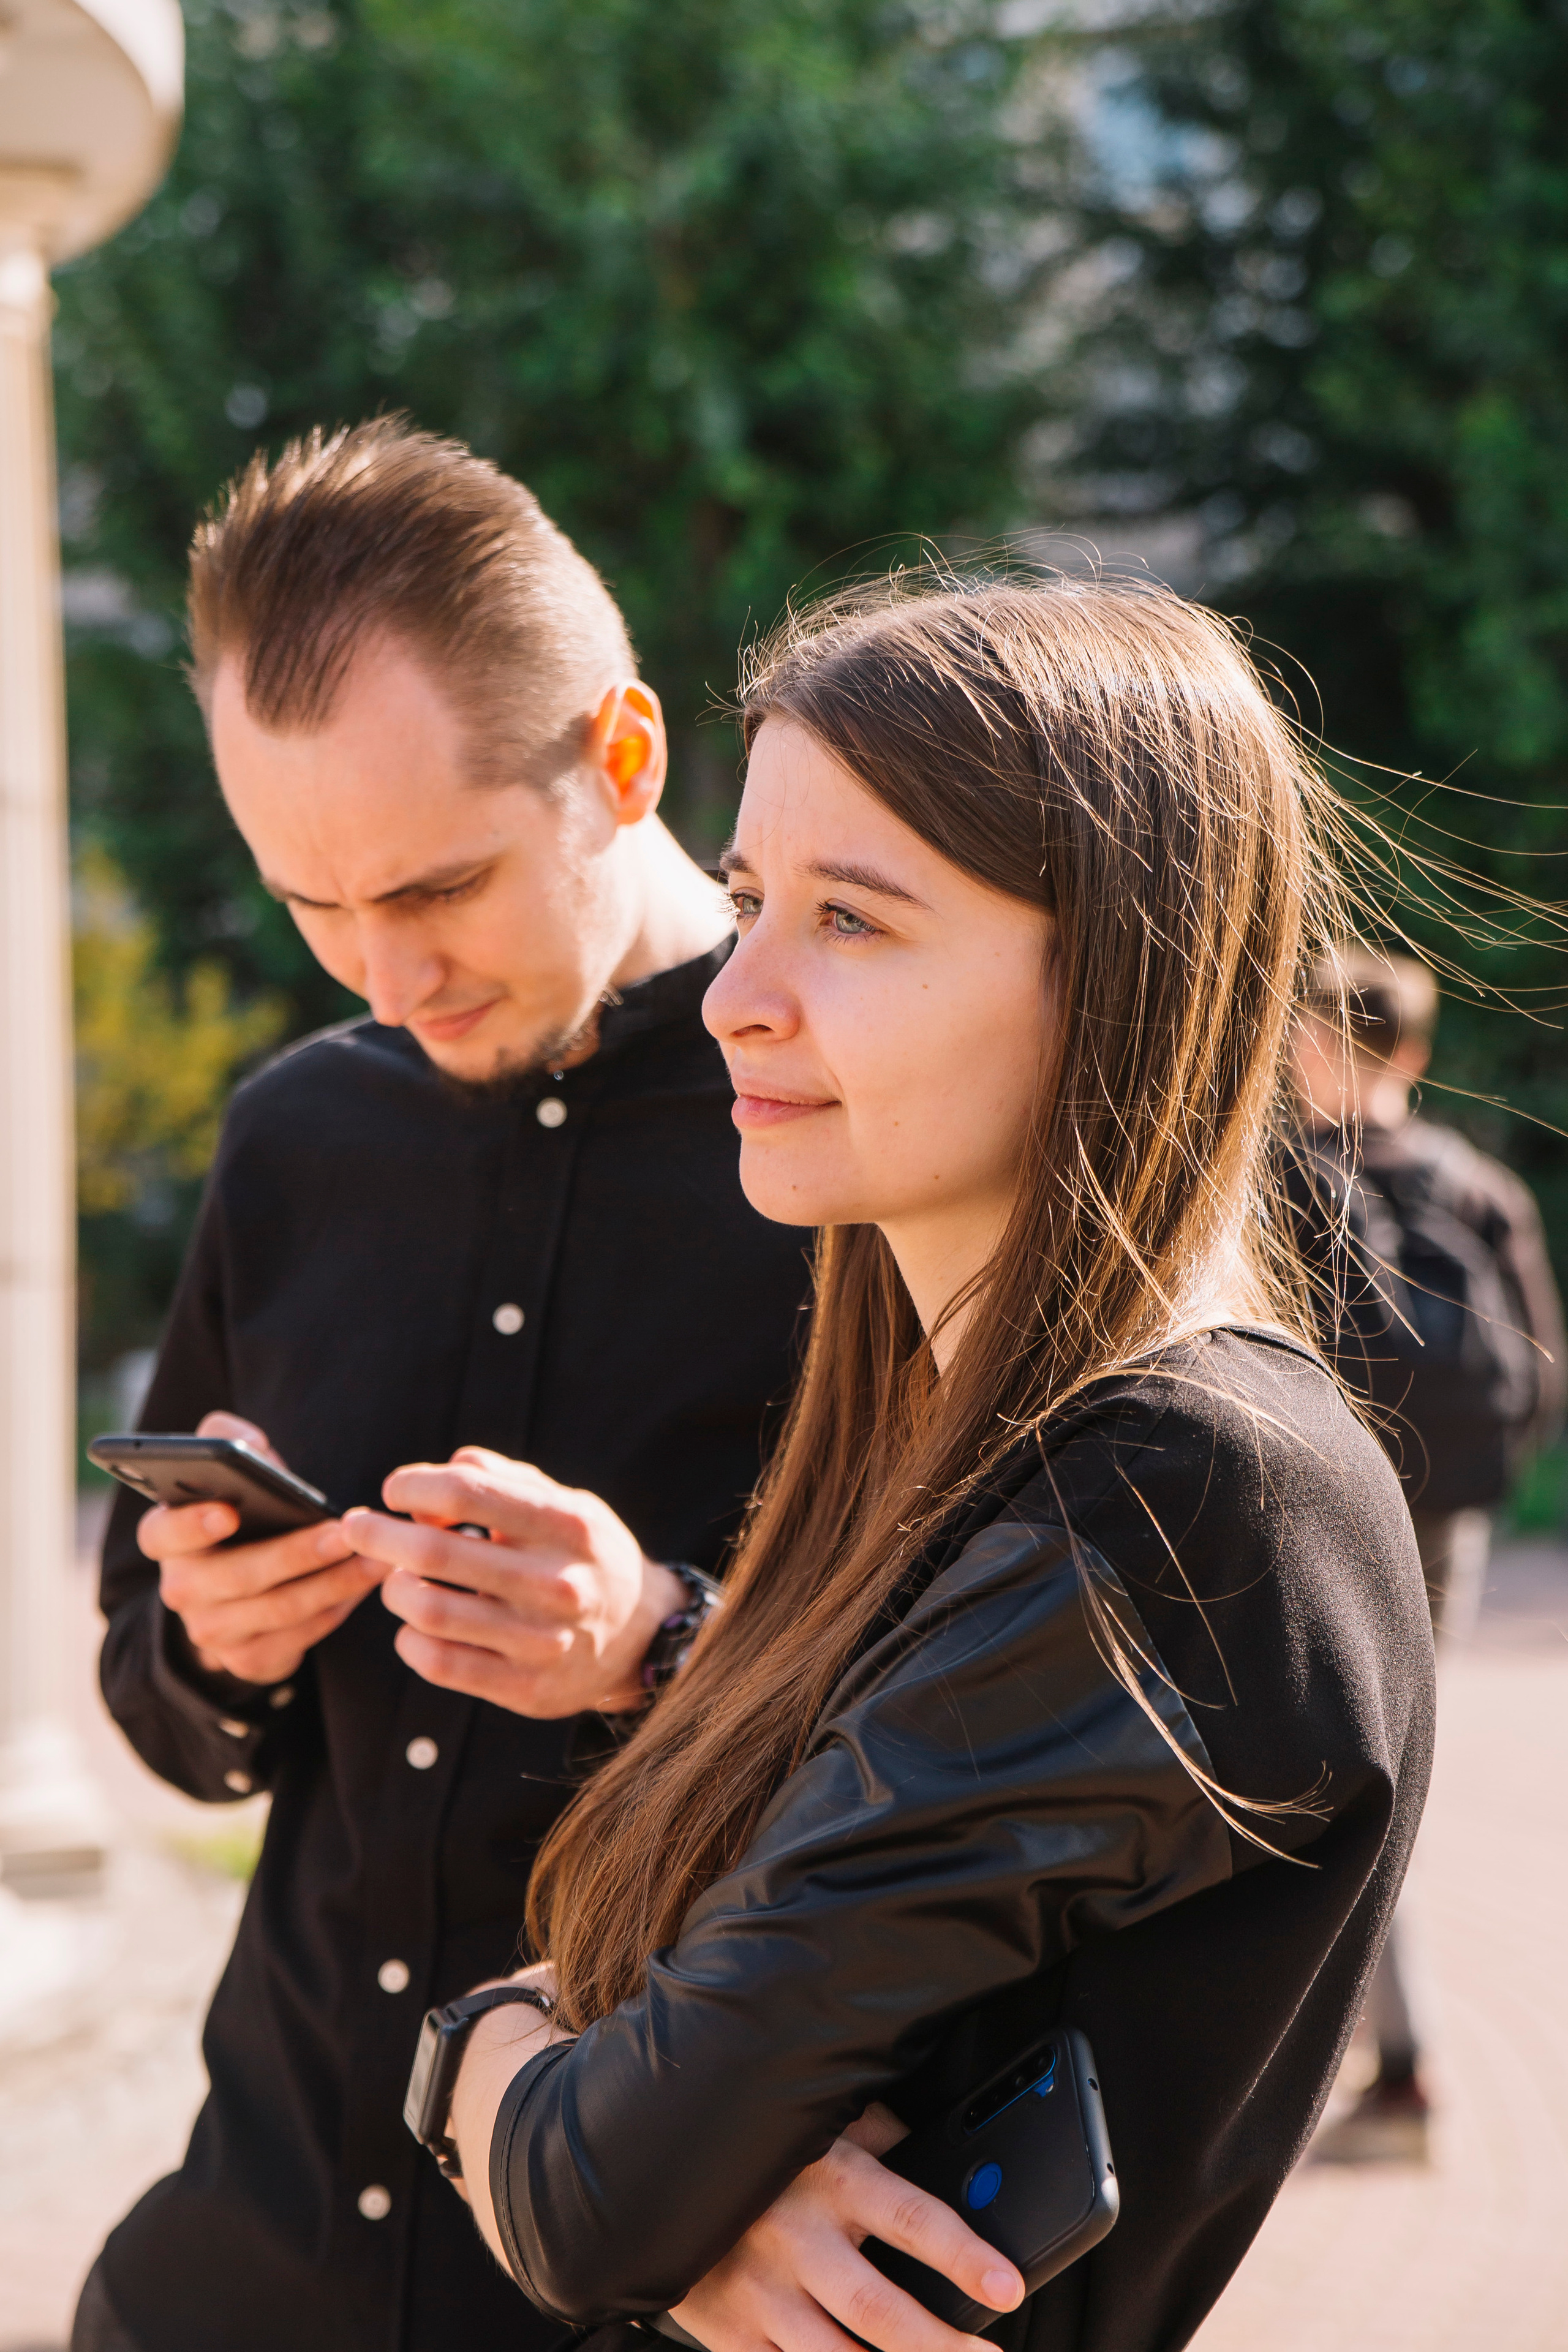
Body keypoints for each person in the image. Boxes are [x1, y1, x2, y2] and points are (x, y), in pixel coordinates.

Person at [349, 574, 1438, 2352]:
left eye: (851, 918)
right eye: (750, 896)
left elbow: (602, 2197)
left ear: (1121, 975)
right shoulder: (961, 1430)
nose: (732, 996)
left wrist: (480, 2053)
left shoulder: (1184, 1490)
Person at [77, 420, 815, 2352]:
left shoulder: (849, 1143)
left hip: (648, 2281)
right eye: (316, 905)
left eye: (437, 888)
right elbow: (159, 1719)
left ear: (625, 762)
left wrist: (666, 1641)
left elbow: (1003, 1747)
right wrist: (212, 1642)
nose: (383, 978)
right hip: (249, 2246)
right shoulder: (295, 1137)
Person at [1291, 944, 1565, 2161]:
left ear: (1307, 1038)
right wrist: (1478, 1489)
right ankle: (1394, 2065)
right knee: (1392, 1763)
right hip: (1444, 1517)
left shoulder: (1285, 1178)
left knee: (1346, 1774)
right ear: (1413, 1051)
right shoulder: (1477, 1183)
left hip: (1319, 1516)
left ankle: (1400, 2069)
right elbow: (1537, 1364)